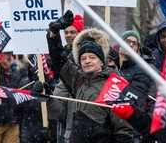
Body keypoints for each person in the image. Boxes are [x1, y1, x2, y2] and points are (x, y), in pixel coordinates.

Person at [47, 11, 133, 142]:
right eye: (83, 58)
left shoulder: (114, 85)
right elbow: (59, 60)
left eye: (92, 57)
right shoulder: (78, 80)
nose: (87, 61)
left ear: (102, 61)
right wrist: (54, 33)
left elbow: (123, 130)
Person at [46, 12, 84, 143]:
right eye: (66, 32)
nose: (68, 35)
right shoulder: (64, 52)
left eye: (73, 32)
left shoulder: (85, 55)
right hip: (66, 120)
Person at [118, 30, 152, 106]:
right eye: (127, 41)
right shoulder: (112, 66)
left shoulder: (142, 71)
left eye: (135, 43)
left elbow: (136, 100)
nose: (130, 45)